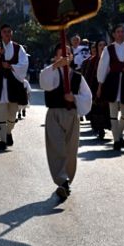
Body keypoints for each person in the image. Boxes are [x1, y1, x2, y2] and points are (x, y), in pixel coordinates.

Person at [39, 45, 92, 200]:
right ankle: (62, 181)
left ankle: (67, 179)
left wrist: (74, 98)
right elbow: (44, 82)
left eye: (68, 54)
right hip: (55, 114)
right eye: (62, 54)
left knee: (70, 149)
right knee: (56, 147)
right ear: (56, 57)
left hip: (71, 115)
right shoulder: (51, 72)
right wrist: (55, 66)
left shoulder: (77, 77)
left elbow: (87, 97)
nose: (65, 57)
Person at [96, 24, 124, 152]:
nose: (120, 34)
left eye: (122, 31)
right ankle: (116, 140)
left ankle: (119, 134)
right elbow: (103, 67)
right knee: (113, 113)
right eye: (118, 31)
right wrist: (100, 85)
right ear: (114, 34)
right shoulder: (108, 49)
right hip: (113, 81)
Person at [0, 24, 29, 150]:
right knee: (0, 114)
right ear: (1, 33)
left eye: (9, 31)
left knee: (12, 115)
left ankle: (8, 132)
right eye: (5, 32)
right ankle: (3, 140)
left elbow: (24, 63)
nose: (7, 34)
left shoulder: (18, 48)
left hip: (13, 85)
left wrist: (10, 66)